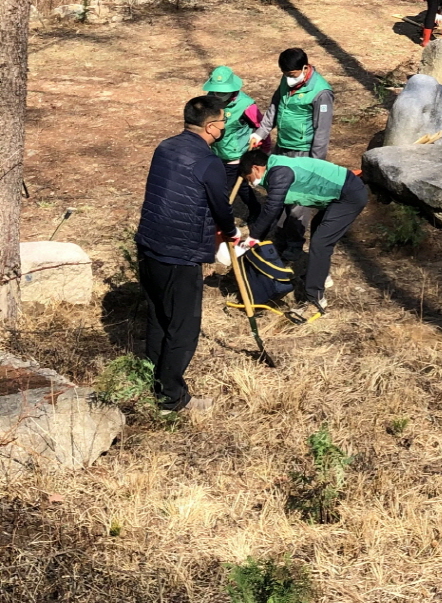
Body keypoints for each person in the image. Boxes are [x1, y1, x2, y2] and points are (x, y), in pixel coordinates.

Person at [134, 96, 239, 413]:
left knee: (158, 317)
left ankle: (153, 381)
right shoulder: (209, 162)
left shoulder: (165, 147)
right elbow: (221, 207)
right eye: (223, 123)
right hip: (179, 255)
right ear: (211, 127)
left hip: (149, 244)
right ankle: (172, 398)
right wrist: (231, 232)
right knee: (183, 327)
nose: (224, 128)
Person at [239, 147, 370, 324]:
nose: (251, 183)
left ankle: (315, 299)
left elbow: (272, 208)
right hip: (340, 193)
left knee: (321, 243)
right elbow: (274, 211)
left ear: (256, 168)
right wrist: (257, 238)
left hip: (349, 194)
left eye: (249, 178)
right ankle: (321, 275)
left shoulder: (280, 172)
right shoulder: (275, 170)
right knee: (319, 229)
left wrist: (253, 237)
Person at [202, 65, 270, 189]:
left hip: (235, 156)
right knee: (242, 187)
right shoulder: (210, 98)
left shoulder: (246, 105)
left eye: (223, 92)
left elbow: (262, 127)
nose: (218, 95)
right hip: (217, 151)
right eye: (216, 91)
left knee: (225, 187)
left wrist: (264, 150)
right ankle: (252, 203)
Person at [266, 48, 333, 158]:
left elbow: (322, 130)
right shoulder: (286, 78)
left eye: (292, 75)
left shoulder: (321, 93)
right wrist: (260, 133)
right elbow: (275, 106)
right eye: (285, 75)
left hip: (302, 150)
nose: (288, 79)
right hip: (282, 144)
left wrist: (316, 161)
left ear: (305, 68)